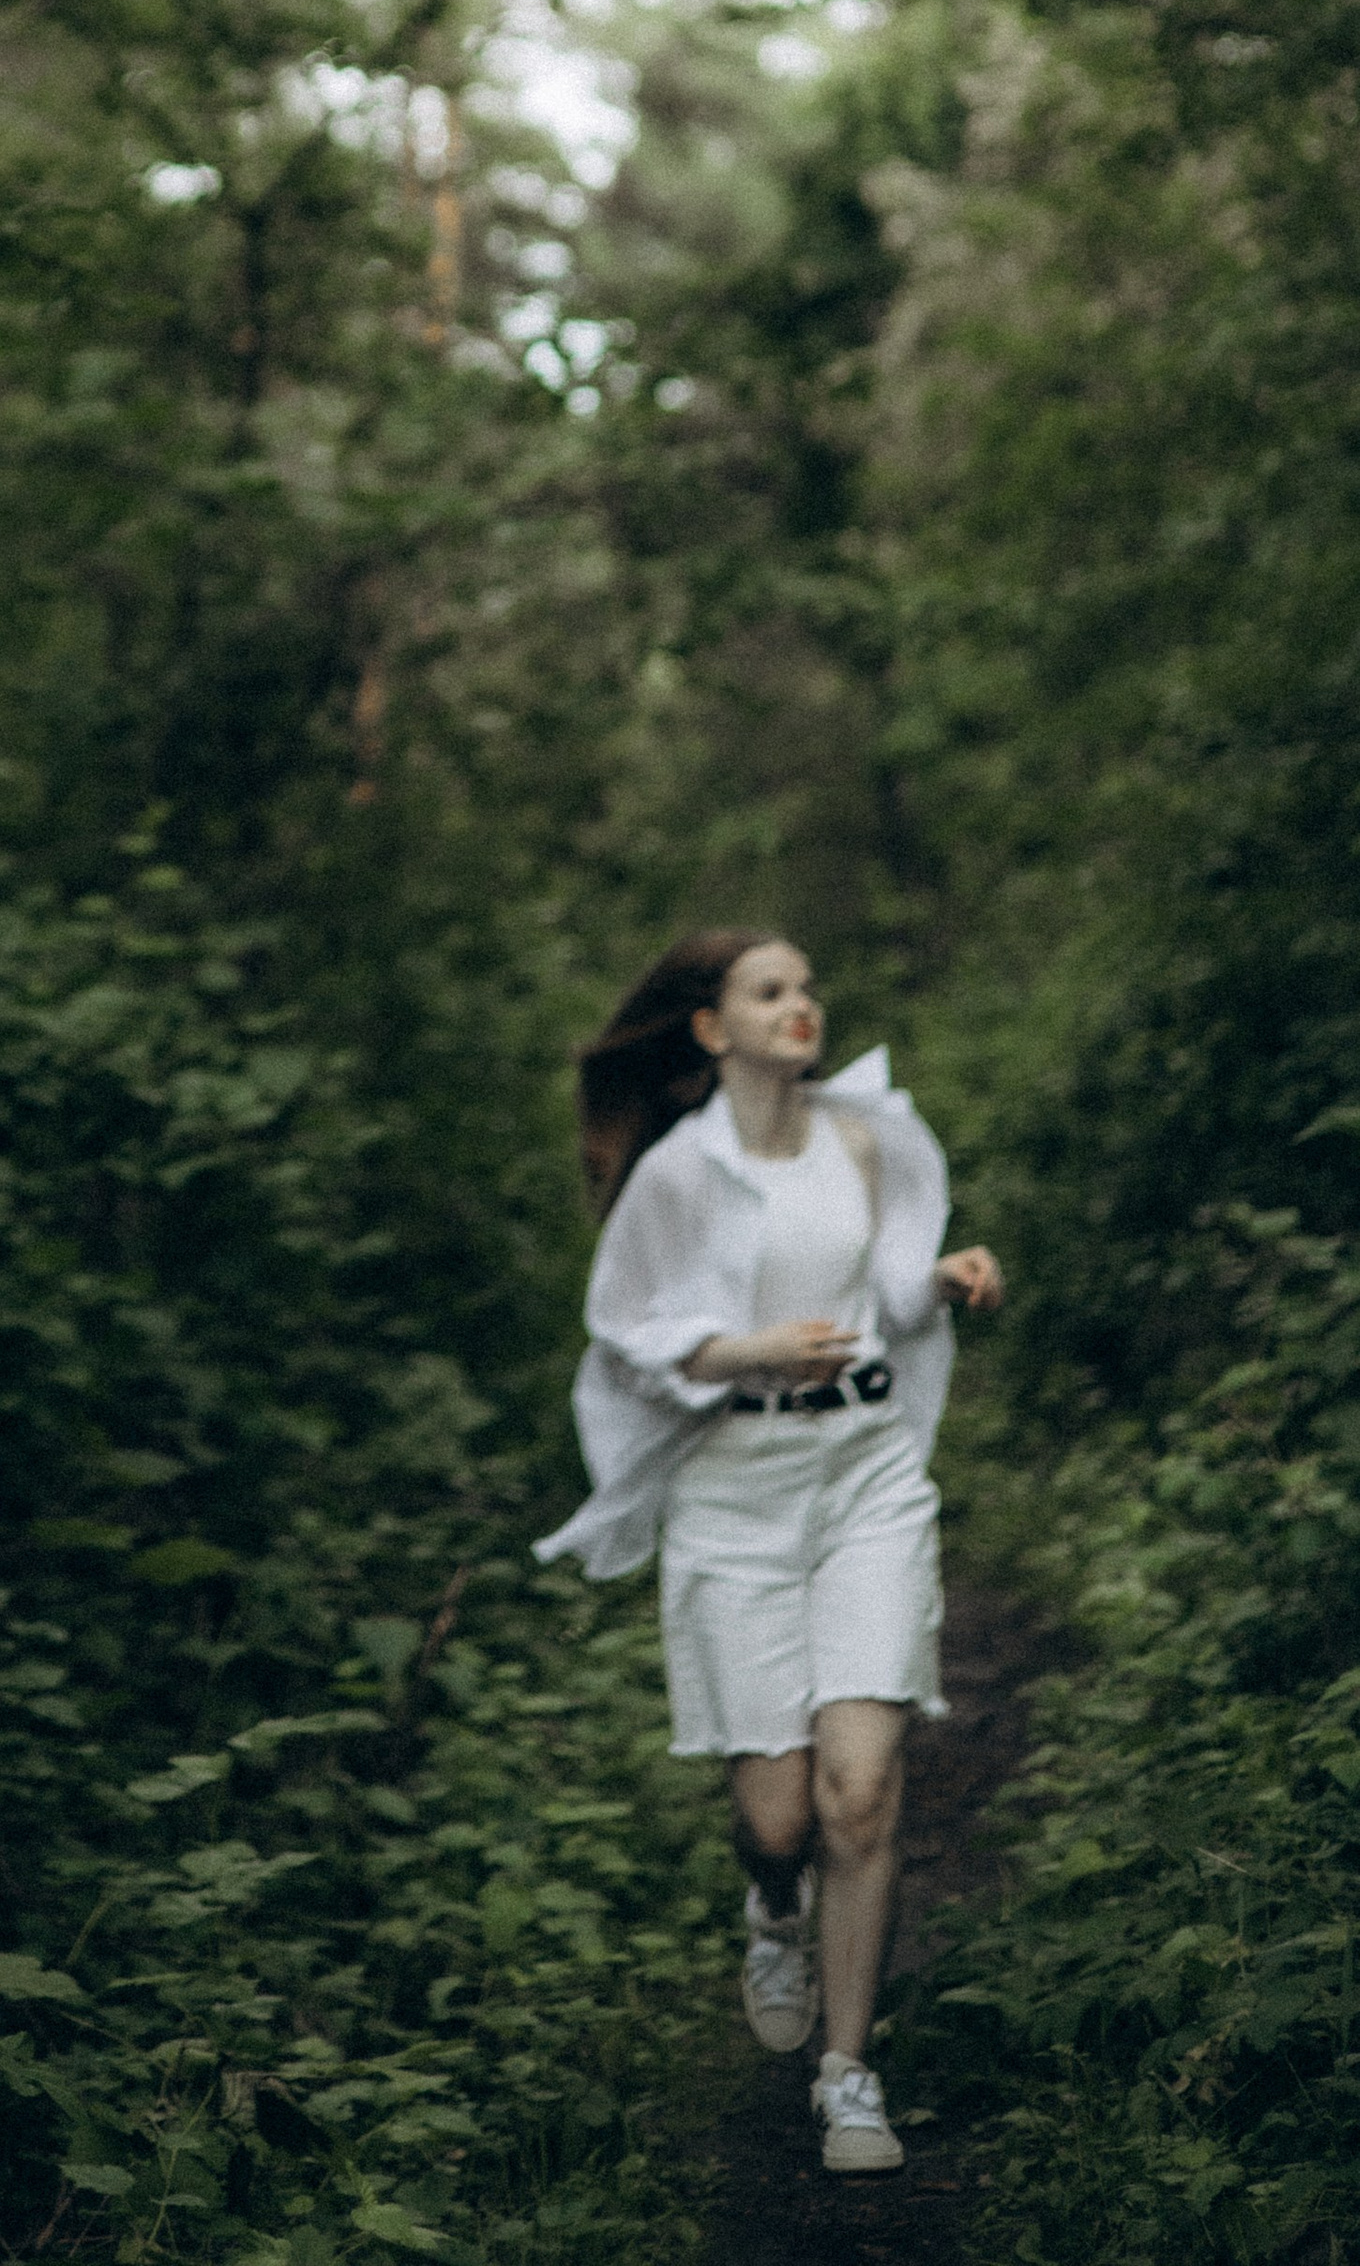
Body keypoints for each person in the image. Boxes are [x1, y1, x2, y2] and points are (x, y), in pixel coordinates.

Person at [535, 930, 1004, 2178]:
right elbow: (624, 1331)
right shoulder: (677, 1174)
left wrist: (945, 1278)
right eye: (769, 991)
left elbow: (887, 1299)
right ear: (711, 1028)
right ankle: (772, 1903)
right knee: (780, 1815)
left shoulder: (864, 1137)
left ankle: (847, 2073)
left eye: (806, 986)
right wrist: (748, 1351)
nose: (801, 1006)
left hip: (864, 1477)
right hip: (733, 1495)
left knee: (861, 1789)